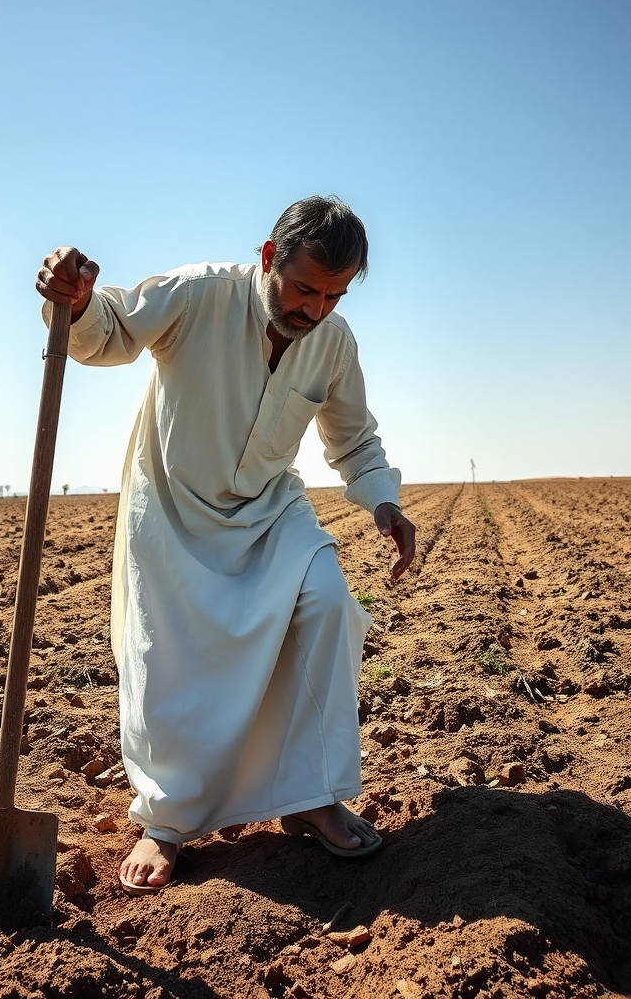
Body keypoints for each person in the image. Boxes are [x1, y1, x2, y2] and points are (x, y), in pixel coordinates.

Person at [35, 196, 417, 894]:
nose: (314, 309)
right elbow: (108, 330)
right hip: (174, 511)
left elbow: (354, 440)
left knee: (330, 604)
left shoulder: (333, 342)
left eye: (333, 295)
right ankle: (167, 821)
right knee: (167, 660)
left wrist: (384, 502)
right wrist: (80, 299)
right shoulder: (199, 293)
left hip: (271, 512)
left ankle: (310, 797)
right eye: (303, 288)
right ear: (269, 258)